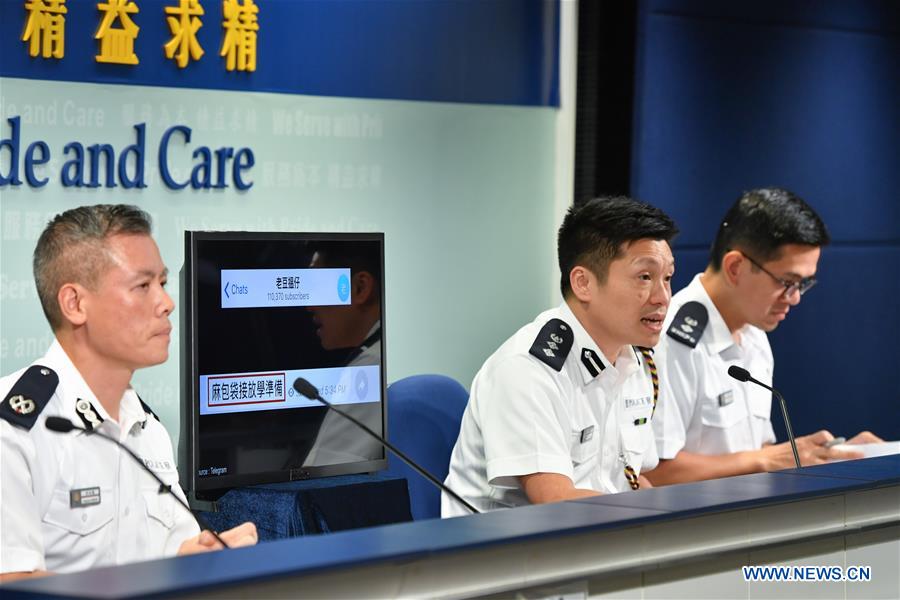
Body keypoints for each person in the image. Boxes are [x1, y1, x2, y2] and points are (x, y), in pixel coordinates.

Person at [0, 205, 257, 582]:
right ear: (75, 304)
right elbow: (10, 581)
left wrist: (195, 559)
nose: (166, 303)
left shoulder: (147, 429)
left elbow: (164, 554)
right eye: (142, 286)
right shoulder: (15, 430)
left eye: (163, 283)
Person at [442, 196, 678, 517]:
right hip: (508, 558)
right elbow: (554, 500)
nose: (663, 297)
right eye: (645, 277)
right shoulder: (528, 368)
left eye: (667, 278)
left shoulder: (636, 362)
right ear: (583, 283)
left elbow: (632, 480)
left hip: (598, 544)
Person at [645, 188, 880, 486]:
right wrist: (766, 460)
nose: (794, 299)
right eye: (787, 282)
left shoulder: (754, 333)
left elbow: (756, 455)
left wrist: (834, 455)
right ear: (735, 267)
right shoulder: (669, 338)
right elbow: (655, 471)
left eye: (803, 284)